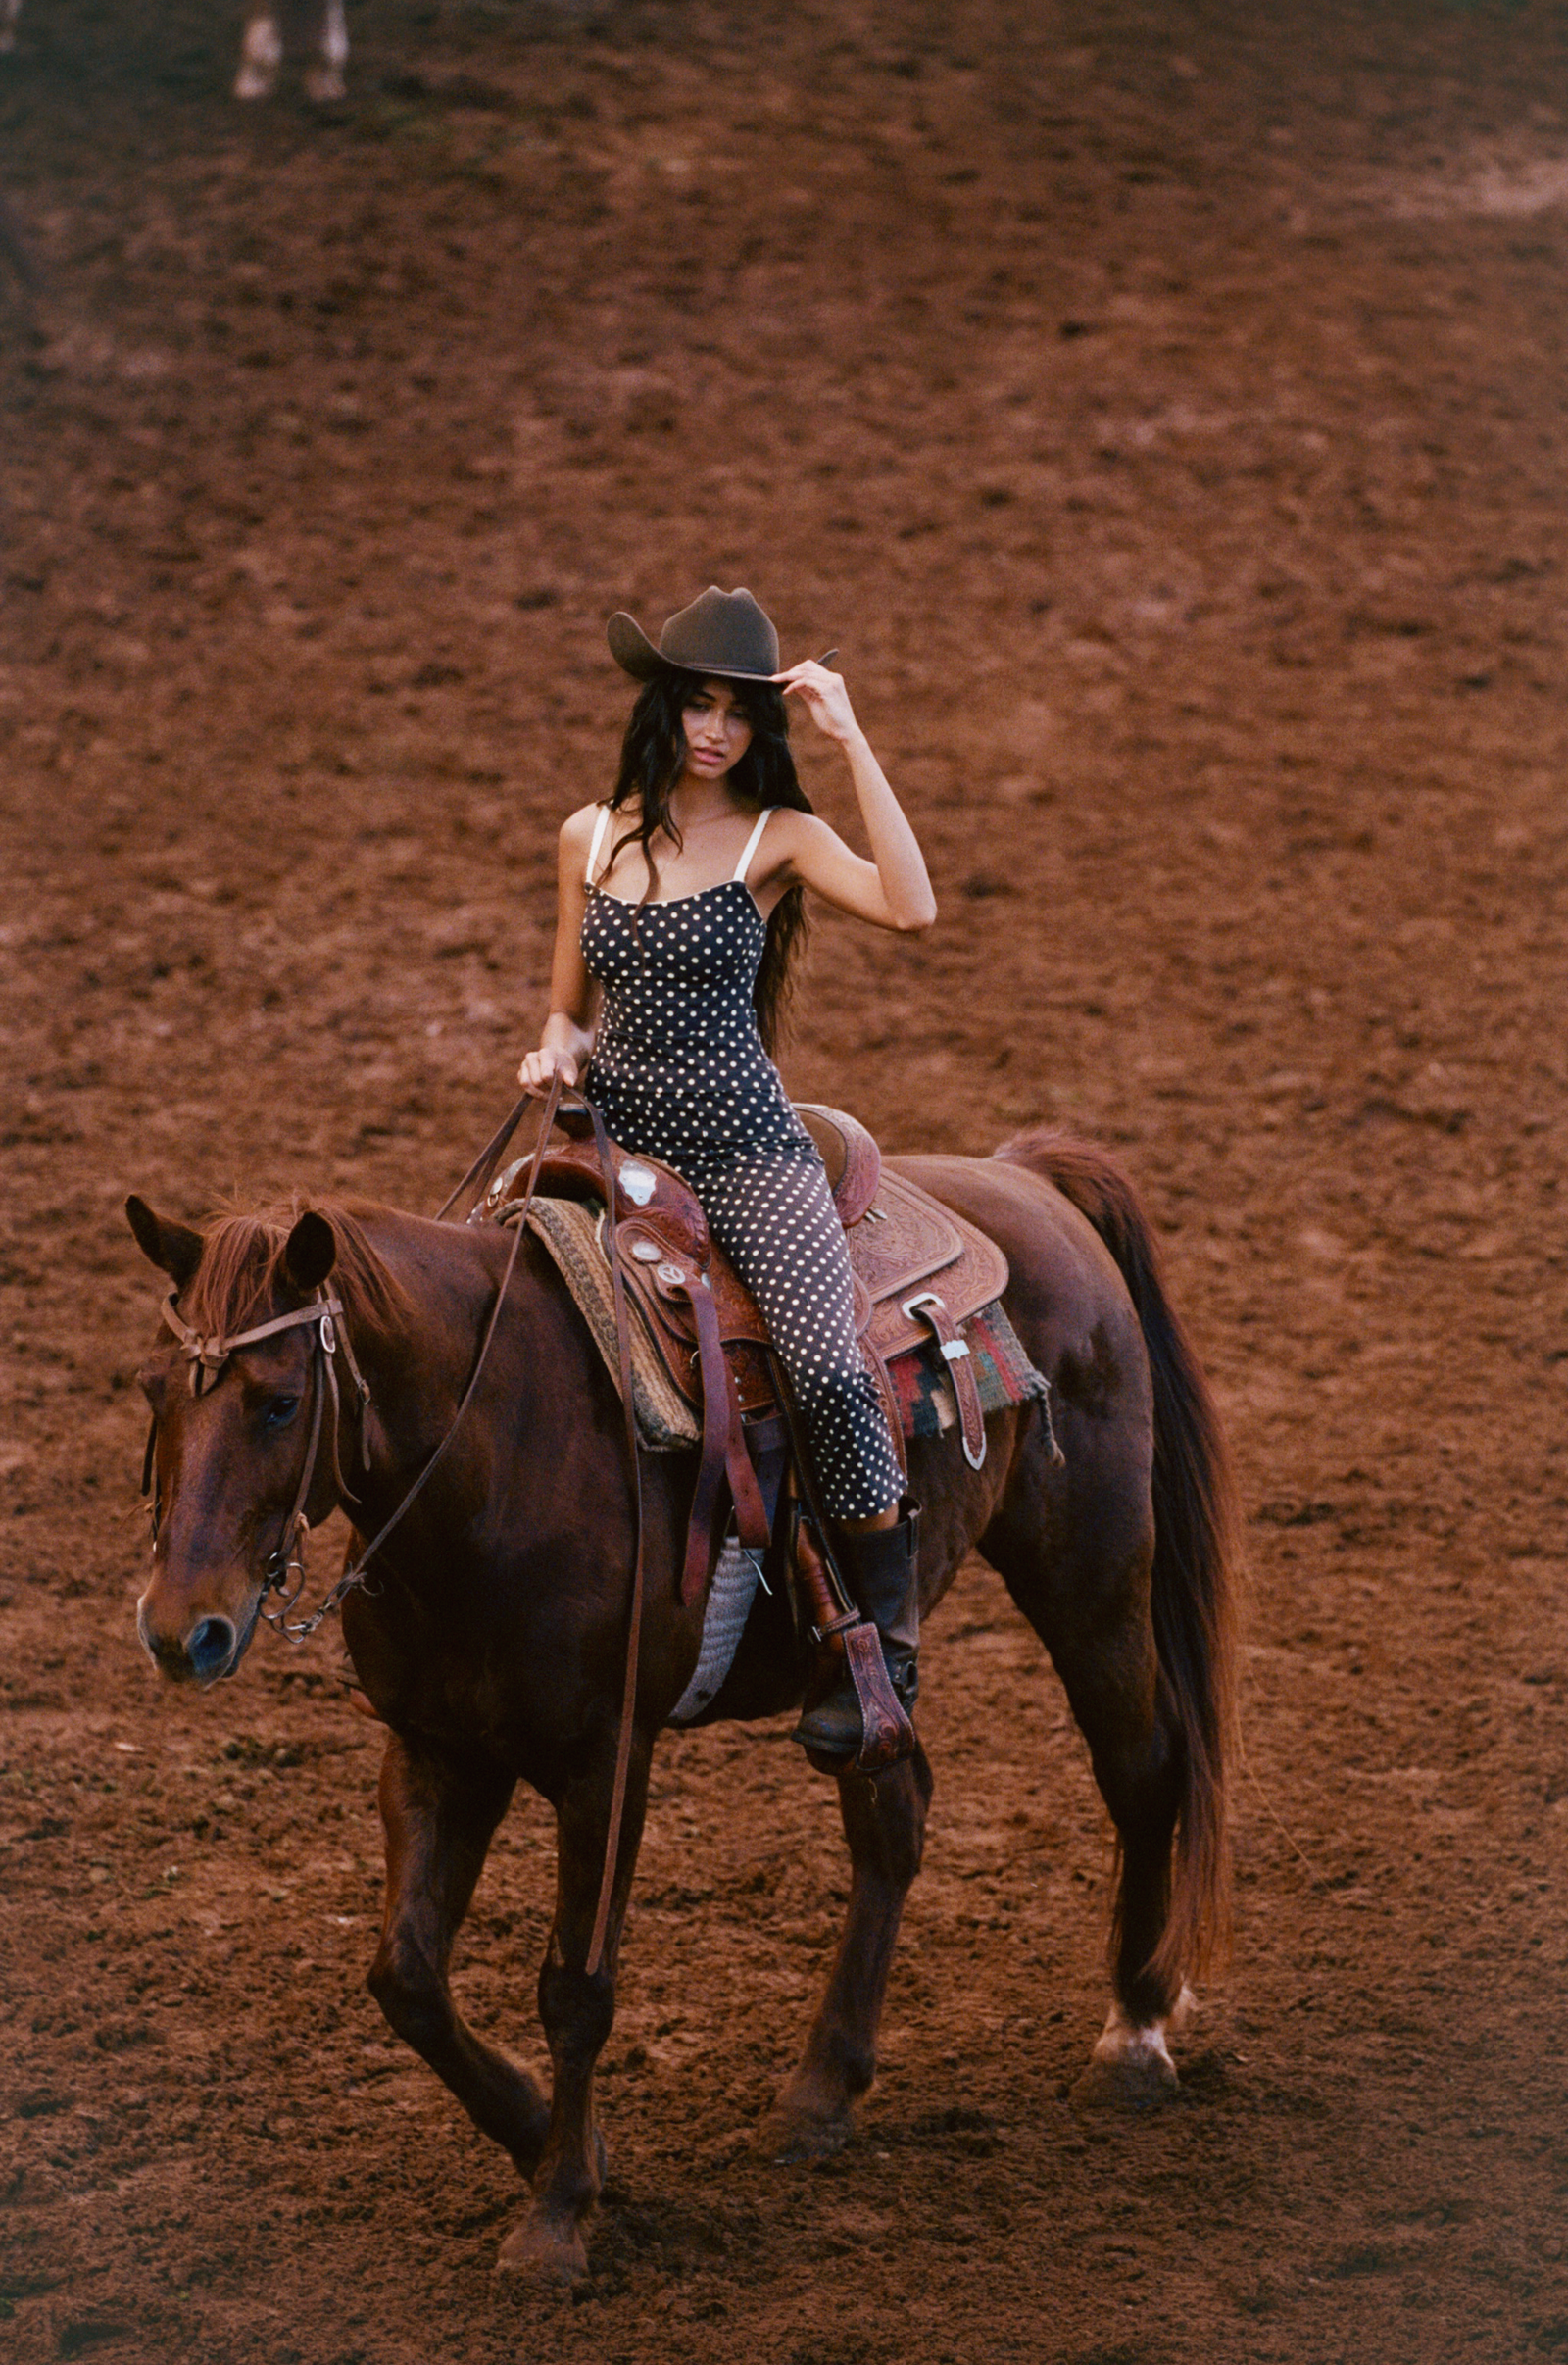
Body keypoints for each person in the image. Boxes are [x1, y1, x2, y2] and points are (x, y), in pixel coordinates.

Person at [518, 585, 937, 1760]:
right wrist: (555, 1048)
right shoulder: (588, 834)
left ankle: (883, 1642)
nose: (715, 731)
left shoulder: (777, 839)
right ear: (664, 705)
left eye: (740, 713)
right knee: (502, 1312)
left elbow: (911, 908)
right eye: (698, 704)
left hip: (744, 1146)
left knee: (823, 1362)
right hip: (614, 1145)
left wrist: (851, 737)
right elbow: (566, 1004)